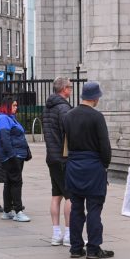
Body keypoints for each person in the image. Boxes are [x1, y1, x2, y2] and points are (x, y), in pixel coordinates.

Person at [63, 81, 114, 259]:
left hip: (74, 165)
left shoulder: (68, 116)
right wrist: (105, 165)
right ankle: (93, 248)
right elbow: (105, 146)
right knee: (94, 208)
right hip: (93, 165)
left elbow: (66, 144)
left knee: (76, 208)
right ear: (95, 98)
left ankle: (75, 247)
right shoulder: (97, 117)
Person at [42, 77, 73, 246]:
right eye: (70, 87)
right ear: (64, 89)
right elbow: (70, 133)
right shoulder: (64, 109)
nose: (71, 90)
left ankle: (56, 234)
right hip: (64, 157)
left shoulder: (48, 108)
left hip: (51, 156)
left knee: (56, 196)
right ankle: (69, 234)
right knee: (70, 196)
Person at [0, 97, 31, 222]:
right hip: (12, 155)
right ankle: (18, 211)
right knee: (16, 182)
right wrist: (12, 156)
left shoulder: (8, 118)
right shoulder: (4, 119)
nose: (16, 107)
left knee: (9, 182)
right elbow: (5, 138)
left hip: (15, 154)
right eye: (14, 105)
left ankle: (7, 210)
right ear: (7, 106)